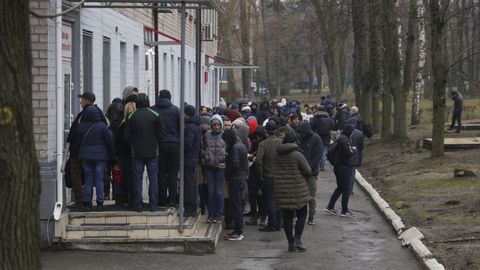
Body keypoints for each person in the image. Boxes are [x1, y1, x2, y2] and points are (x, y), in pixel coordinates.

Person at [125, 93, 165, 212]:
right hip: (153, 151)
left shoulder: (131, 115)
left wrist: (133, 143)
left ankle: (138, 204)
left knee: (137, 179)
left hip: (136, 152)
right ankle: (153, 204)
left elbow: (126, 136)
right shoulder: (155, 114)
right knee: (153, 178)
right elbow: (162, 134)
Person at [67, 92, 106, 207]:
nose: (80, 101)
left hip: (80, 152)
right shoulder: (100, 116)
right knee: (97, 178)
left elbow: (73, 134)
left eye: (82, 99)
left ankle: (82, 201)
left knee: (78, 175)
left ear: (87, 100)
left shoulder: (82, 116)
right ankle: (99, 202)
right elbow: (107, 135)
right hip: (99, 154)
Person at [275, 131, 312, 251]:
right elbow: (308, 171)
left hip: (282, 190)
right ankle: (297, 239)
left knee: (287, 217)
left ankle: (290, 243)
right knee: (302, 214)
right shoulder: (298, 155)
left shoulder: (278, 155)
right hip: (298, 190)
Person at [76, 103, 113, 211]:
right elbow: (108, 140)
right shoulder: (102, 126)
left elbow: (77, 141)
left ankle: (87, 203)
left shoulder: (81, 126)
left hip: (86, 156)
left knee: (88, 179)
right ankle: (100, 202)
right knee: (99, 179)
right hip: (100, 156)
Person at [151, 89, 180, 206]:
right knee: (173, 173)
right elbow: (181, 127)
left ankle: (162, 199)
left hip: (159, 145)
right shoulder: (176, 110)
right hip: (175, 145)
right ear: (170, 97)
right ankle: (172, 199)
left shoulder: (153, 110)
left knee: (161, 173)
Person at [222, 129, 249, 241]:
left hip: (235, 179)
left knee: (236, 205)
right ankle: (238, 229)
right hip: (241, 177)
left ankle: (238, 230)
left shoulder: (234, 148)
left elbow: (234, 164)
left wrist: (226, 172)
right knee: (239, 204)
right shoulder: (241, 145)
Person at [325, 124, 356, 217]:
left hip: (338, 167)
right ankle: (344, 210)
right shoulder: (345, 140)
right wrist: (354, 150)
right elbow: (348, 153)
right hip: (343, 167)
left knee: (340, 188)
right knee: (346, 189)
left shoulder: (340, 138)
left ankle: (330, 207)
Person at [256, 121, 282, 232]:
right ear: (276, 130)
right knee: (278, 200)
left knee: (270, 199)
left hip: (268, 175)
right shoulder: (282, 142)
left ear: (266, 131)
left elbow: (258, 161)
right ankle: (278, 224)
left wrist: (260, 173)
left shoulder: (264, 144)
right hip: (280, 175)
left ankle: (272, 224)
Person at [202, 114, 226, 223]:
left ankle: (219, 213)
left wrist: (226, 162)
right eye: (214, 124)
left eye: (218, 124)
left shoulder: (225, 135)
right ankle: (211, 214)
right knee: (211, 191)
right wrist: (205, 156)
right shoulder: (206, 135)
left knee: (219, 191)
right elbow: (202, 147)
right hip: (209, 166)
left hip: (221, 167)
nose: (216, 127)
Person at [297, 122, 323, 225]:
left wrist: (309, 169)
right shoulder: (300, 138)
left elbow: (317, 156)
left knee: (311, 196)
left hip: (311, 173)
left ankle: (311, 216)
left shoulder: (316, 139)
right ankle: (301, 215)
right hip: (301, 172)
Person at [116, 101, 137, 209]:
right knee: (135, 177)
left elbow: (118, 141)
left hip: (124, 155)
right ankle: (135, 199)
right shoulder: (137, 123)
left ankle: (125, 199)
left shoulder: (123, 124)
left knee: (125, 178)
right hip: (136, 153)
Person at [184, 105, 202, 217]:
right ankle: (192, 207)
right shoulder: (196, 125)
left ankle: (190, 208)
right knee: (191, 183)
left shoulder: (190, 126)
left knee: (188, 184)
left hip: (188, 159)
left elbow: (188, 143)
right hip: (193, 158)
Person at [310, 105, 334, 171]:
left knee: (317, 151)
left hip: (317, 137)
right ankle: (322, 166)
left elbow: (311, 127)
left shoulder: (315, 118)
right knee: (324, 151)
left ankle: (317, 165)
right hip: (327, 137)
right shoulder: (329, 118)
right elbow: (333, 126)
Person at [349, 126, 364, 194]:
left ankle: (345, 188)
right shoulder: (359, 133)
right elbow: (361, 147)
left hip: (346, 157)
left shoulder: (345, 132)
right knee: (352, 173)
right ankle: (350, 188)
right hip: (355, 156)